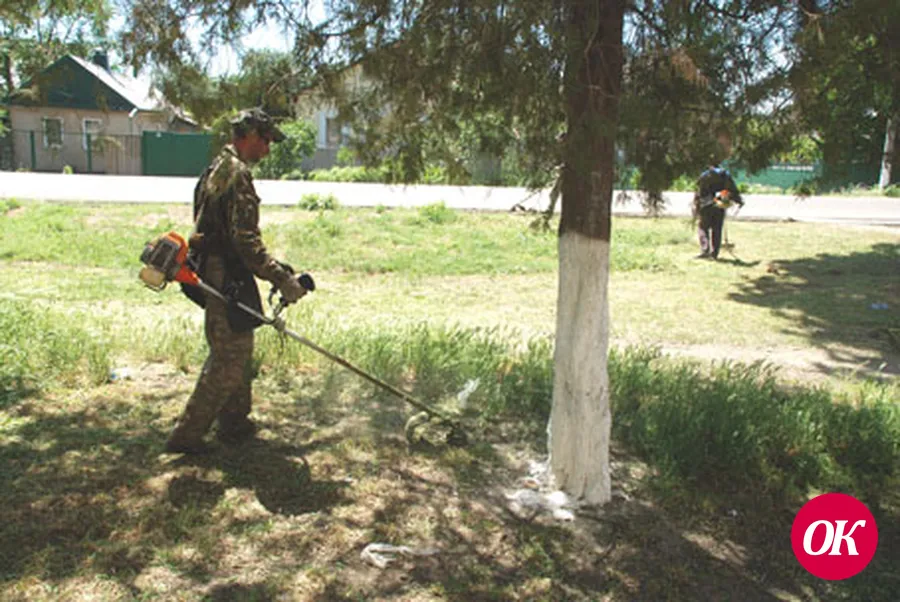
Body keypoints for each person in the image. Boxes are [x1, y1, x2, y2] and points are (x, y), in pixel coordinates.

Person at [165, 108, 307, 454]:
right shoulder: (236, 173)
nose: (268, 150)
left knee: (237, 347)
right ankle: (185, 438)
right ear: (251, 136)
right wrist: (281, 278)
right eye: (266, 141)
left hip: (218, 270)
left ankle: (234, 423)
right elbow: (245, 242)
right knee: (229, 357)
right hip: (224, 273)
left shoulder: (217, 168)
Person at [693, 159, 744, 260]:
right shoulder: (725, 175)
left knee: (703, 227)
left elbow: (699, 190)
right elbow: (732, 189)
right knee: (717, 228)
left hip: (706, 205)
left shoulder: (704, 175)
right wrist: (739, 200)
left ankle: (705, 250)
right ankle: (714, 253)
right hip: (720, 204)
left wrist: (697, 204)